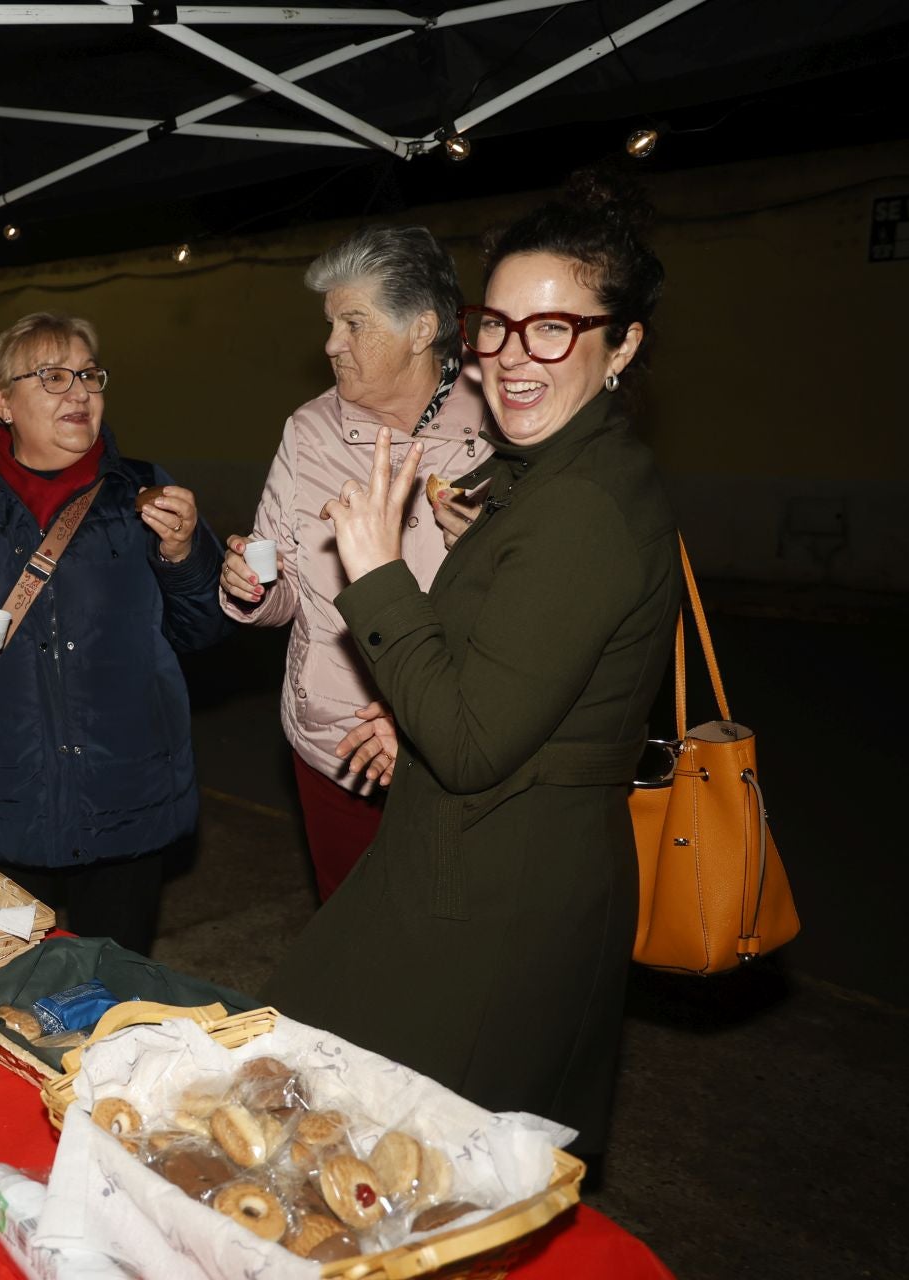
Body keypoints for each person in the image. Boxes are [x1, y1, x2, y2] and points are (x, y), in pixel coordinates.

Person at [261, 168, 679, 1157]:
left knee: (422, 1158)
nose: (512, 356)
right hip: (468, 858)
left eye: (554, 328)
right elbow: (495, 668)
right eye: (499, 325)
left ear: (621, 345)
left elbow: (474, 737)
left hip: (501, 892)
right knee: (339, 1104)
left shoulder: (580, 504)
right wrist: (405, 701)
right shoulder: (545, 473)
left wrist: (375, 570)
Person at [0, 313, 229, 955]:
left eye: (89, 375)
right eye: (53, 377)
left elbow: (205, 627)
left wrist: (185, 554)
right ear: (3, 401)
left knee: (108, 1002)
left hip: (124, 802)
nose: (79, 393)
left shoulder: (144, 496)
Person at [219, 227, 494, 901]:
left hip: (459, 750)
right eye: (330, 324)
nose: (331, 344)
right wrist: (254, 589)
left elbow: (534, 619)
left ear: (421, 328)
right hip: (335, 750)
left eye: (353, 324)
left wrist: (487, 545)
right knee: (349, 938)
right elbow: (288, 590)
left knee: (455, 943)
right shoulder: (309, 432)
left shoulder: (499, 429)